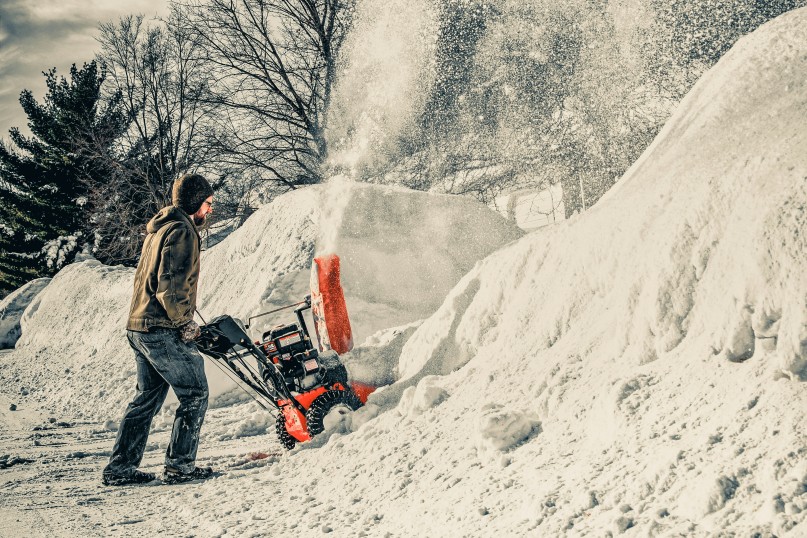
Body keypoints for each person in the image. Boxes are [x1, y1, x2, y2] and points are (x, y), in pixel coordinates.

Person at [102, 173, 215, 486]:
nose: (209, 210)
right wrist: (184, 323)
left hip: (140, 325)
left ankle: (119, 469)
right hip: (160, 327)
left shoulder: (160, 228)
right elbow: (171, 281)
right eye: (207, 203)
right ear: (195, 202)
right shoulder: (182, 231)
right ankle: (180, 467)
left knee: (146, 400)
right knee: (195, 393)